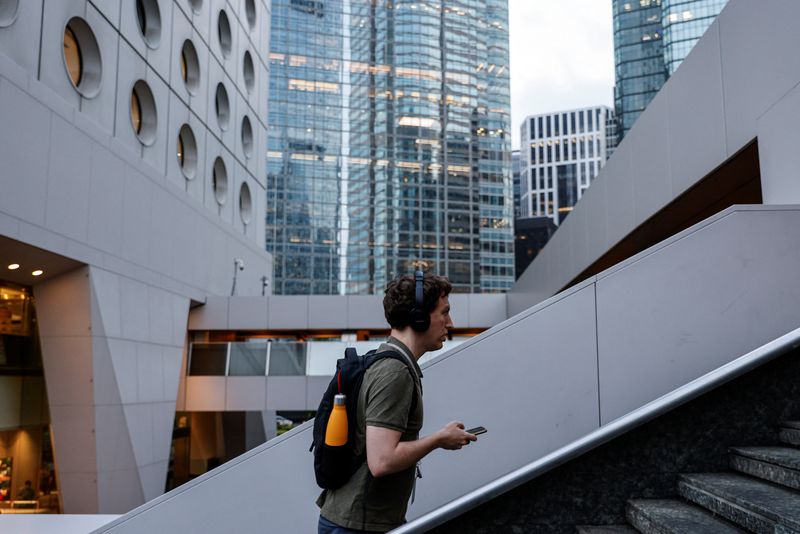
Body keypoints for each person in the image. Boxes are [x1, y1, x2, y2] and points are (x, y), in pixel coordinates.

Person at [317, 272, 477, 533]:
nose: (450, 322)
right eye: (444, 312)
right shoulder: (395, 372)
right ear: (418, 317)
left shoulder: (389, 361)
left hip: (357, 521)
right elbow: (382, 460)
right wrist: (439, 439)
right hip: (358, 525)